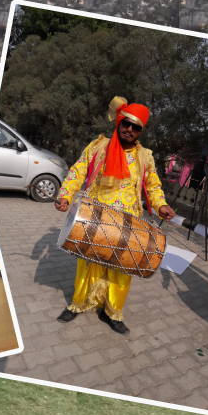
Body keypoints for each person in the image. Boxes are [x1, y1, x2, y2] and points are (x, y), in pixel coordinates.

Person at [54, 97, 175, 335]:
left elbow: (153, 186)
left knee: (123, 267)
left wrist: (161, 205)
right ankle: (79, 304)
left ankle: (112, 312)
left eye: (136, 127)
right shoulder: (98, 146)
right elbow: (78, 171)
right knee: (87, 262)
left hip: (128, 219)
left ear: (141, 131)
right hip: (94, 214)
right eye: (126, 124)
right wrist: (66, 195)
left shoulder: (145, 157)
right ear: (119, 122)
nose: (129, 129)